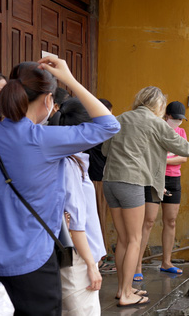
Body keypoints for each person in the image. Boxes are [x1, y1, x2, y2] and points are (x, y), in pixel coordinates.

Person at [0, 57, 119, 314]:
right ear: (48, 101)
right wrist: (70, 79)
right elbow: (109, 124)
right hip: (33, 262)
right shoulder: (44, 139)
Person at [102, 86, 189, 308]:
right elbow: (183, 147)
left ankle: (122, 289)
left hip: (110, 181)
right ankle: (127, 293)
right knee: (134, 239)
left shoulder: (120, 118)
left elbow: (106, 150)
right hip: (132, 182)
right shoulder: (156, 123)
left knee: (124, 239)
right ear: (158, 105)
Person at [55, 98, 106, 315]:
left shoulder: (75, 161)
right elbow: (76, 225)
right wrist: (91, 267)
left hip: (80, 256)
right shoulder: (69, 165)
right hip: (77, 259)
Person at [136, 101, 189, 281]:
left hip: (174, 179)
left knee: (171, 221)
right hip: (154, 177)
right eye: (175, 118)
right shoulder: (156, 129)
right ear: (167, 116)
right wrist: (166, 160)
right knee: (148, 221)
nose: (178, 122)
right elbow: (148, 156)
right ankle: (137, 265)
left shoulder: (181, 132)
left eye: (181, 119)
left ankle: (167, 262)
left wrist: (163, 159)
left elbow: (184, 157)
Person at [84, 98, 113, 260]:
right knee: (98, 218)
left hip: (95, 177)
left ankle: (100, 255)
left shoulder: (90, 129)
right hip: (98, 178)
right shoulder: (101, 130)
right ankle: (100, 257)